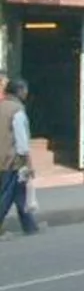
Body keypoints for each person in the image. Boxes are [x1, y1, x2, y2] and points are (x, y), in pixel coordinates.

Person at [0, 78, 39, 238]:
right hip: (12, 160)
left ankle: (29, 225)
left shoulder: (2, 106)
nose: (26, 93)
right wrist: (29, 163)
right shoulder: (17, 111)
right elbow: (22, 141)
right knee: (7, 194)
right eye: (25, 90)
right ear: (20, 91)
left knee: (19, 193)